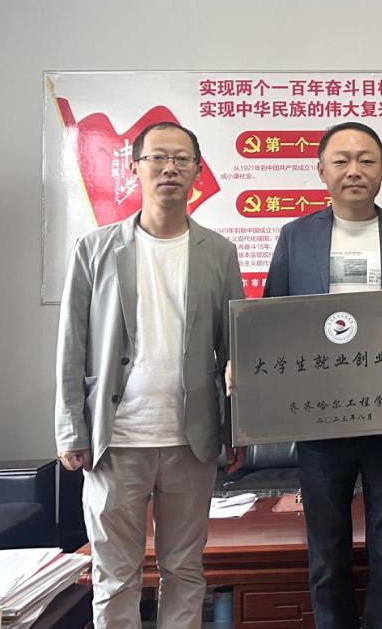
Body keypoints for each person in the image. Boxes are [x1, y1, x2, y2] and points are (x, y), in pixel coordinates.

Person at [258, 120, 382, 629]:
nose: (354, 170)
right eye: (342, 160)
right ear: (321, 170)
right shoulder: (295, 236)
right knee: (326, 550)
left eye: (366, 160)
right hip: (319, 416)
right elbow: (272, 318)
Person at [55, 121, 246, 629]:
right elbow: (72, 344)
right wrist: (70, 428)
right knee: (114, 575)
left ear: (198, 172)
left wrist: (238, 429)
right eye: (157, 158)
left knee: (184, 570)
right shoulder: (95, 248)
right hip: (115, 439)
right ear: (135, 167)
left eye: (182, 159)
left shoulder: (219, 252)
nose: (169, 169)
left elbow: (236, 347)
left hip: (191, 440)